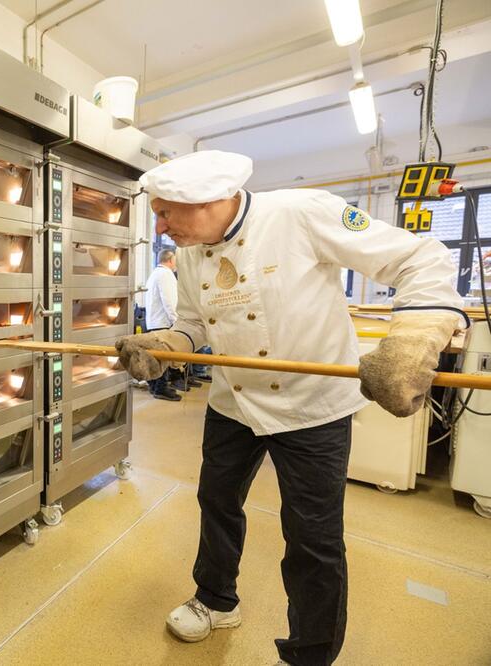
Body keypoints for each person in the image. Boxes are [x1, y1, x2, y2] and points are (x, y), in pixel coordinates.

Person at [116, 150, 467, 666]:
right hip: (232, 403)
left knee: (312, 536)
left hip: (313, 409)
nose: (162, 227)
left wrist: (414, 336)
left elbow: (420, 258)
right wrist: (168, 342)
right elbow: (194, 324)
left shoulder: (301, 213)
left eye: (168, 213)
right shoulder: (191, 254)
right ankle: (216, 600)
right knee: (217, 503)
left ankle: (310, 654)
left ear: (214, 199)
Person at [144, 249, 184, 400]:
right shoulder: (166, 274)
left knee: (156, 358)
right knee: (163, 359)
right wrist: (177, 321)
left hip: (154, 322)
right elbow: (170, 301)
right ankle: (160, 388)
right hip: (162, 322)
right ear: (170, 260)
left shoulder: (155, 273)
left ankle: (155, 387)